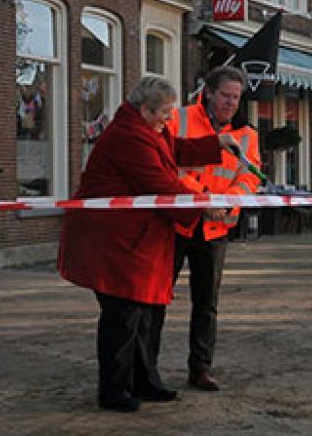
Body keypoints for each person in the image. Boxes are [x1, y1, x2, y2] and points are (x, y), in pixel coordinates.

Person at [57, 76, 238, 412]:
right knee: (122, 315)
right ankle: (114, 390)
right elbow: (160, 183)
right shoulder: (128, 137)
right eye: (165, 113)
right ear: (144, 109)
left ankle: (144, 381)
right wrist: (204, 204)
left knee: (142, 314)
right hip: (111, 240)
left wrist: (218, 143)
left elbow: (175, 151)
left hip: (134, 240)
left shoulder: (148, 128)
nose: (169, 119)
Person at [168, 66, 261, 392]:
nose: (231, 103)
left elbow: (250, 178)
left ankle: (201, 368)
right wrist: (201, 199)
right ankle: (145, 367)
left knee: (207, 302)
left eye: (236, 97)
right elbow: (168, 167)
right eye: (225, 95)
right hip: (178, 222)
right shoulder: (178, 119)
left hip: (215, 227)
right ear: (208, 92)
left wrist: (228, 201)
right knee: (155, 299)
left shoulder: (247, 134)